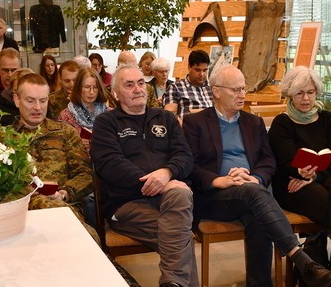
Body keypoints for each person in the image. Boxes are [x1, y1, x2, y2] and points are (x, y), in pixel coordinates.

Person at [183, 64, 331, 287]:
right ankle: (300, 257)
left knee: (258, 213)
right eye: (235, 90)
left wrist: (255, 178)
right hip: (215, 197)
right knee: (257, 197)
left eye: (243, 89)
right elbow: (189, 164)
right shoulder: (195, 122)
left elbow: (268, 160)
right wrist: (219, 180)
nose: (242, 95)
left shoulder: (252, 122)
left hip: (251, 191)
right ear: (216, 91)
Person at [91, 64, 199, 287]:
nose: (137, 89)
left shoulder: (166, 119)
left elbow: (185, 156)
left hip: (169, 197)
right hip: (127, 203)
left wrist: (167, 173)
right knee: (181, 237)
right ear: (115, 93)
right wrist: (156, 181)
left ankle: (172, 283)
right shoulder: (105, 123)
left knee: (180, 195)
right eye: (129, 85)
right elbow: (110, 164)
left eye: (140, 83)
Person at [268, 66, 331, 285]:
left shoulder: (327, 120)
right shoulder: (282, 122)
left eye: (310, 92)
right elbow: (285, 161)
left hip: (321, 177)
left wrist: (315, 176)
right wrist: (301, 174)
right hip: (291, 184)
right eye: (300, 93)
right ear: (290, 94)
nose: (306, 98)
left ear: (317, 92)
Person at [12, 73, 97, 240]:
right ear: (16, 100)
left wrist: (64, 193)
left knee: (84, 237)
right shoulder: (3, 138)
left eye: (43, 101)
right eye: (30, 101)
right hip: (19, 213)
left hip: (62, 205)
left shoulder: (65, 133)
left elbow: (86, 175)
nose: (37, 107)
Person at [57, 68, 110, 153]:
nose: (92, 92)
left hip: (106, 160)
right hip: (78, 161)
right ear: (78, 88)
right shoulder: (66, 115)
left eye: (95, 87)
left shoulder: (109, 113)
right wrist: (76, 143)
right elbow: (60, 145)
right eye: (87, 87)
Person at [164, 50, 213, 120]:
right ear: (189, 67)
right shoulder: (175, 88)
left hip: (214, 127)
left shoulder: (213, 87)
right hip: (189, 127)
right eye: (198, 70)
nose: (202, 74)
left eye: (205, 70)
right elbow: (169, 115)